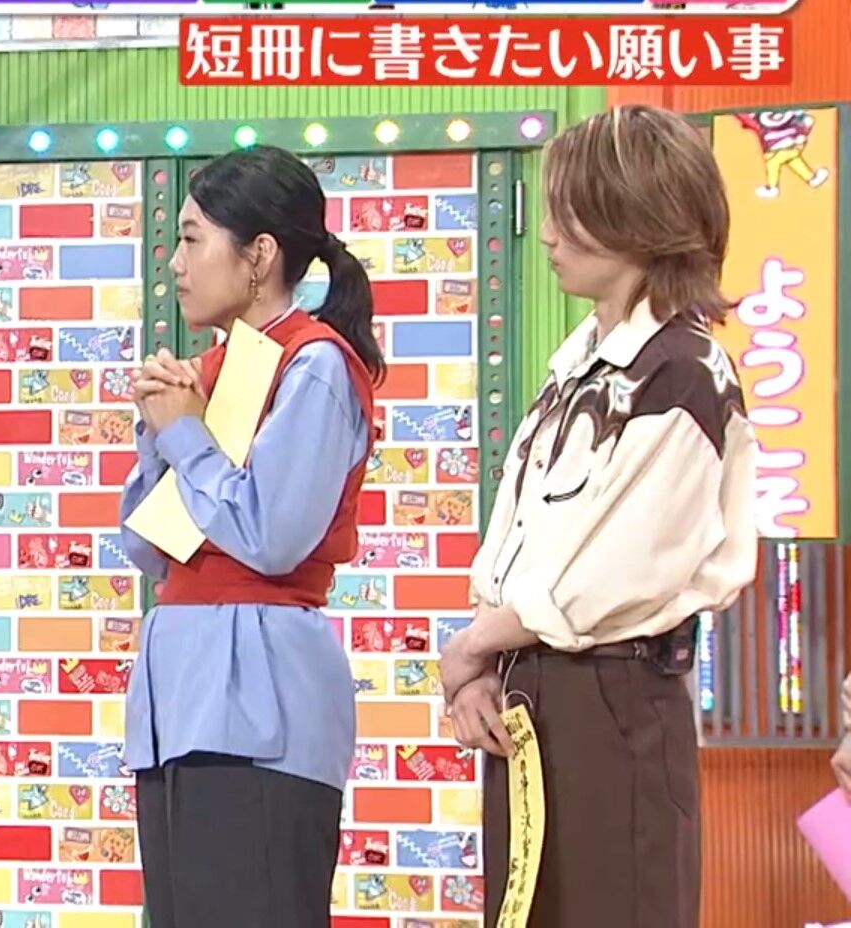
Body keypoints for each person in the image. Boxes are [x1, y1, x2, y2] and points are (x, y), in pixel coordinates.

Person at [439, 105, 758, 928]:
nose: (548, 233)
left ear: (637, 217)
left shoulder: (683, 372)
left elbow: (607, 575)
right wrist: (483, 665)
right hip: (529, 689)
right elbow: (520, 542)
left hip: (614, 694)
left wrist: (472, 645)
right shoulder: (579, 367)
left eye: (570, 211)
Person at [119, 145, 384, 927]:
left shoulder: (316, 364)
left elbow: (271, 535)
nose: (176, 264)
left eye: (192, 239)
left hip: (261, 698)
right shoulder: (216, 367)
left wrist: (186, 435)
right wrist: (159, 433)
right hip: (179, 696)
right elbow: (150, 547)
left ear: (260, 254)